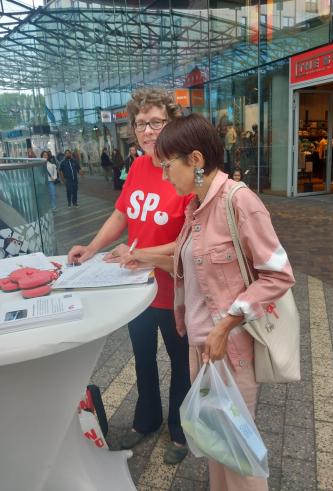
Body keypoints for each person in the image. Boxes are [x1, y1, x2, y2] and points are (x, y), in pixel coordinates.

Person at [122, 113, 295, 490]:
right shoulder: (196, 207)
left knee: (239, 456)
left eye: (169, 167)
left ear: (196, 161)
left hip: (229, 349)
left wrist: (226, 323)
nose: (165, 176)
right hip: (204, 349)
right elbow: (191, 266)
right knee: (220, 449)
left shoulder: (239, 202)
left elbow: (279, 274)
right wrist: (141, 255)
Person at [67, 87, 192, 465]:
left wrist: (141, 254)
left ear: (171, 124)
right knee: (142, 359)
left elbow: (192, 240)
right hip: (134, 288)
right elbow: (121, 214)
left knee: (182, 362)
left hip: (175, 290)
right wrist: (91, 248)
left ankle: (181, 431)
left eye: (156, 122)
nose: (148, 131)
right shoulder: (137, 166)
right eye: (141, 124)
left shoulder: (186, 171)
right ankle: (147, 420)